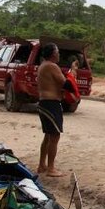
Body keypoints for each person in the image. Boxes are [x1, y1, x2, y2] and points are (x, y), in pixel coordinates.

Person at [36, 43, 69, 176]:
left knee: (48, 135)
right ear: (53, 54)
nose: (59, 54)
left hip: (44, 103)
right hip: (50, 104)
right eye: (58, 52)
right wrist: (72, 74)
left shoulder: (43, 65)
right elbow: (65, 83)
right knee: (55, 136)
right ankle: (51, 168)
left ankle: (42, 165)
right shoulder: (51, 65)